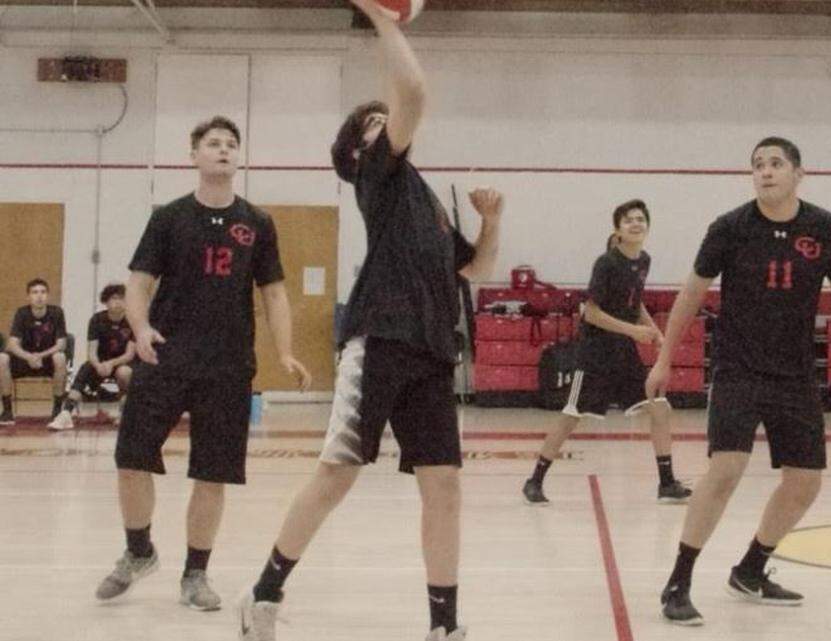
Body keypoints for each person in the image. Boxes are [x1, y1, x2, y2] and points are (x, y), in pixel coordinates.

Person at [237, 4, 503, 640]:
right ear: (360, 148)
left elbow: (476, 271)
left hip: (433, 353)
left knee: (445, 487)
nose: (391, 126)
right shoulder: (377, 176)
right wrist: (384, 18)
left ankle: (445, 626)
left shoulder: (427, 201)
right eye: (377, 124)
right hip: (379, 340)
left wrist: (491, 219)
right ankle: (263, 594)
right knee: (337, 476)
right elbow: (412, 90)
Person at [650, 137, 831, 625]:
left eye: (776, 164)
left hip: (794, 374)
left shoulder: (824, 228)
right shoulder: (729, 228)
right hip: (738, 368)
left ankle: (751, 568)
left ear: (798, 174)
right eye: (758, 165)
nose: (766, 172)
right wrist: (663, 359)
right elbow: (690, 294)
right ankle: (678, 581)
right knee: (727, 468)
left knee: (805, 481)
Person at [94, 115, 312, 611]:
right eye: (213, 143)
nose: (223, 150)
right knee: (130, 459)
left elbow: (274, 293)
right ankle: (138, 550)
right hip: (165, 356)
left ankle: (195, 574)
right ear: (193, 155)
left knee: (211, 474)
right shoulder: (169, 217)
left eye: (231, 144)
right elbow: (138, 283)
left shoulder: (257, 223)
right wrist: (142, 327)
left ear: (239, 158)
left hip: (228, 365)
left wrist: (284, 350)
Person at [522, 199, 691, 506]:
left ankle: (666, 483)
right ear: (618, 230)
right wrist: (633, 331)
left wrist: (654, 332)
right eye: (629, 220)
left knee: (660, 408)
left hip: (624, 355)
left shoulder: (643, 261)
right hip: (595, 354)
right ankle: (534, 480)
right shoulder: (606, 263)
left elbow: (635, 303)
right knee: (571, 416)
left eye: (641, 219)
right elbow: (591, 313)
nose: (636, 224)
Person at [48, 283, 136, 430]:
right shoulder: (97, 320)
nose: (117, 302)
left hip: (122, 363)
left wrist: (111, 364)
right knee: (85, 369)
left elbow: (130, 354)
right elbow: (92, 352)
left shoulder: (132, 321)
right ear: (106, 301)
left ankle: (125, 411)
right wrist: (98, 365)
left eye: (121, 299)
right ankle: (66, 413)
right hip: (100, 363)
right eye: (113, 299)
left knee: (125, 372)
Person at [0, 278, 68, 425]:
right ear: (28, 296)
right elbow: (12, 344)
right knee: (2, 359)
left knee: (60, 357)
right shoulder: (22, 313)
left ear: (48, 295)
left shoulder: (56, 313)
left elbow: (61, 344)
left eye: (43, 292)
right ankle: (7, 411)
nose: (39, 296)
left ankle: (57, 410)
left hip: (47, 361)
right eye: (35, 292)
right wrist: (29, 357)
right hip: (24, 361)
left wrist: (40, 356)